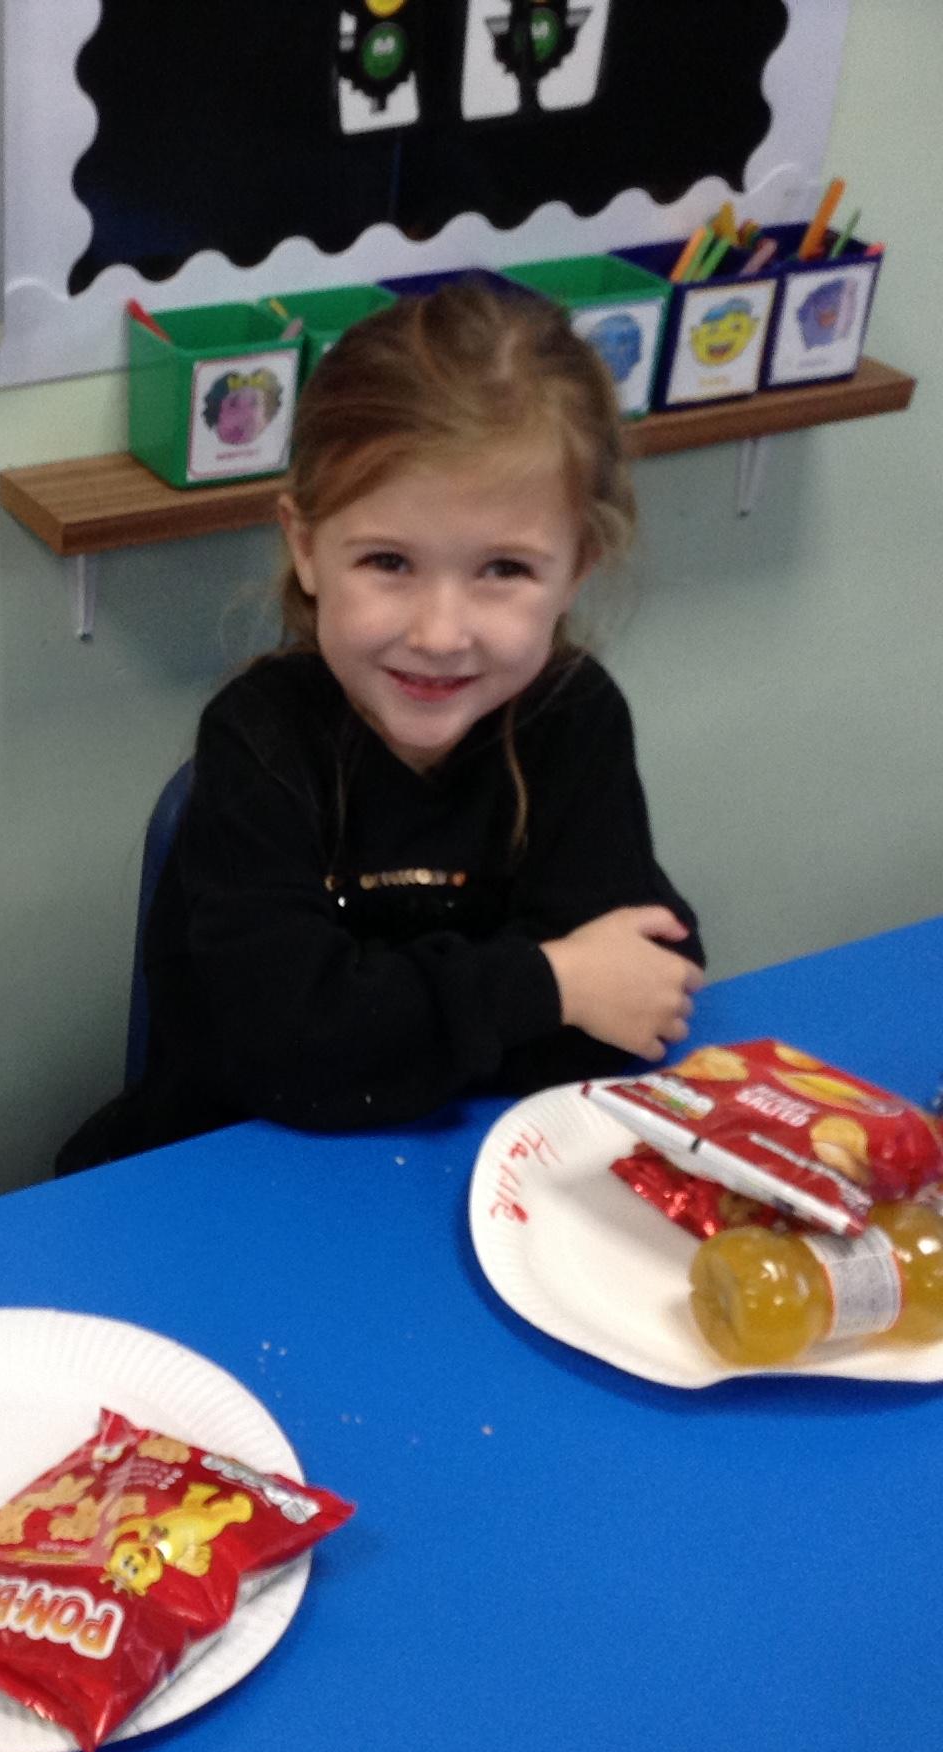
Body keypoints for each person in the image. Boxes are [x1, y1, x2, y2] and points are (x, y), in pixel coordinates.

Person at [59, 282, 702, 1170]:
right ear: (305, 545)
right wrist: (551, 983)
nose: (440, 633)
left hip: (479, 1163)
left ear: (578, 569)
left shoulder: (574, 717)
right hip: (233, 1171)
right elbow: (281, 1051)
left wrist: (385, 1026)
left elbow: (641, 994)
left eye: (505, 570)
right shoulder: (261, 739)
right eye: (389, 561)